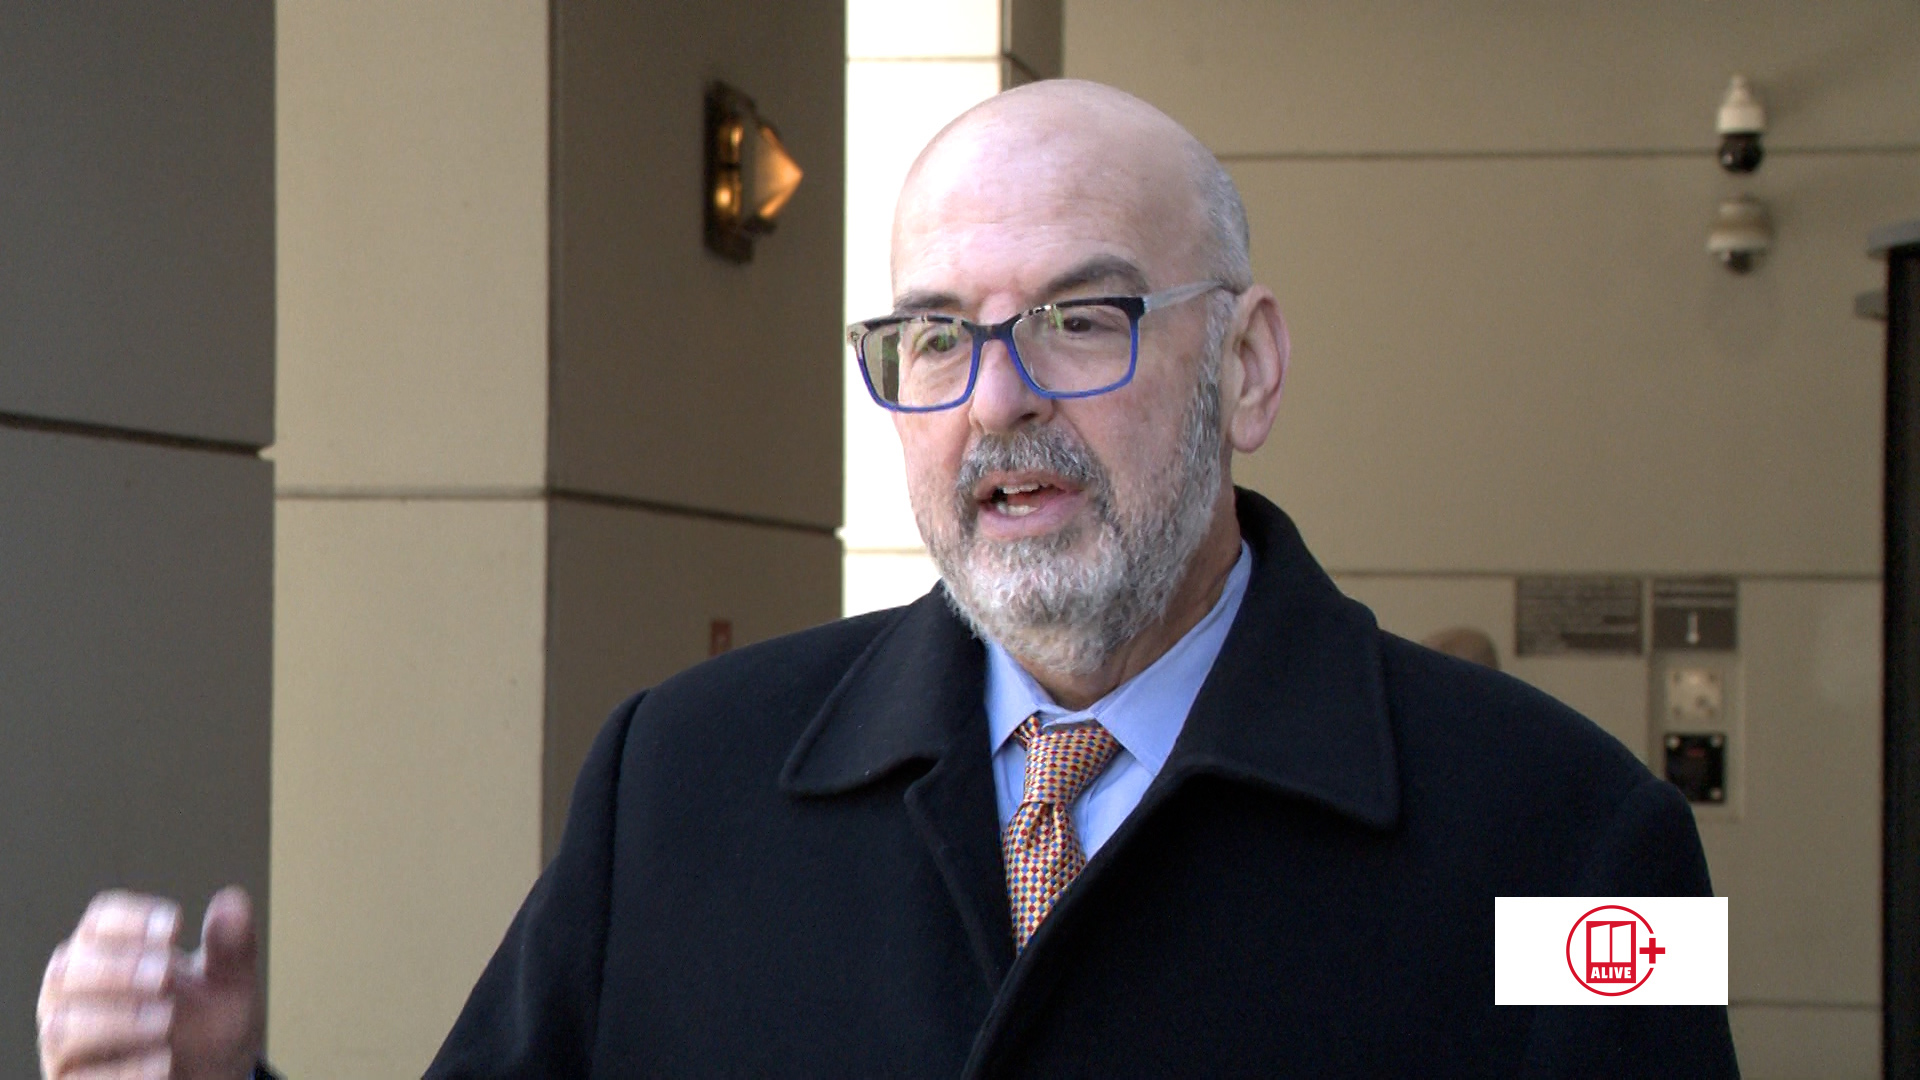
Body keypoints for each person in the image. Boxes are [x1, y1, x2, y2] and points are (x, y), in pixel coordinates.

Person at [36, 80, 1738, 1078]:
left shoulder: (1586, 850)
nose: (996, 400)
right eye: (935, 337)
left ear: (1252, 368)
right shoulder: (677, 781)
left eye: (1083, 318)